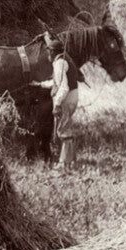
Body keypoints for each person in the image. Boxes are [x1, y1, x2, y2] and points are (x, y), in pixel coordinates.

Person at [32, 36, 79, 170]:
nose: (48, 54)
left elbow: (63, 87)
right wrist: (40, 84)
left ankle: (63, 163)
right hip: (70, 97)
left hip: (66, 99)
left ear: (53, 52)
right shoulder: (62, 62)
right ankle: (71, 161)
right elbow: (56, 83)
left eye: (49, 52)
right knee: (65, 128)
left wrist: (57, 104)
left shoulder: (59, 64)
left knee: (62, 130)